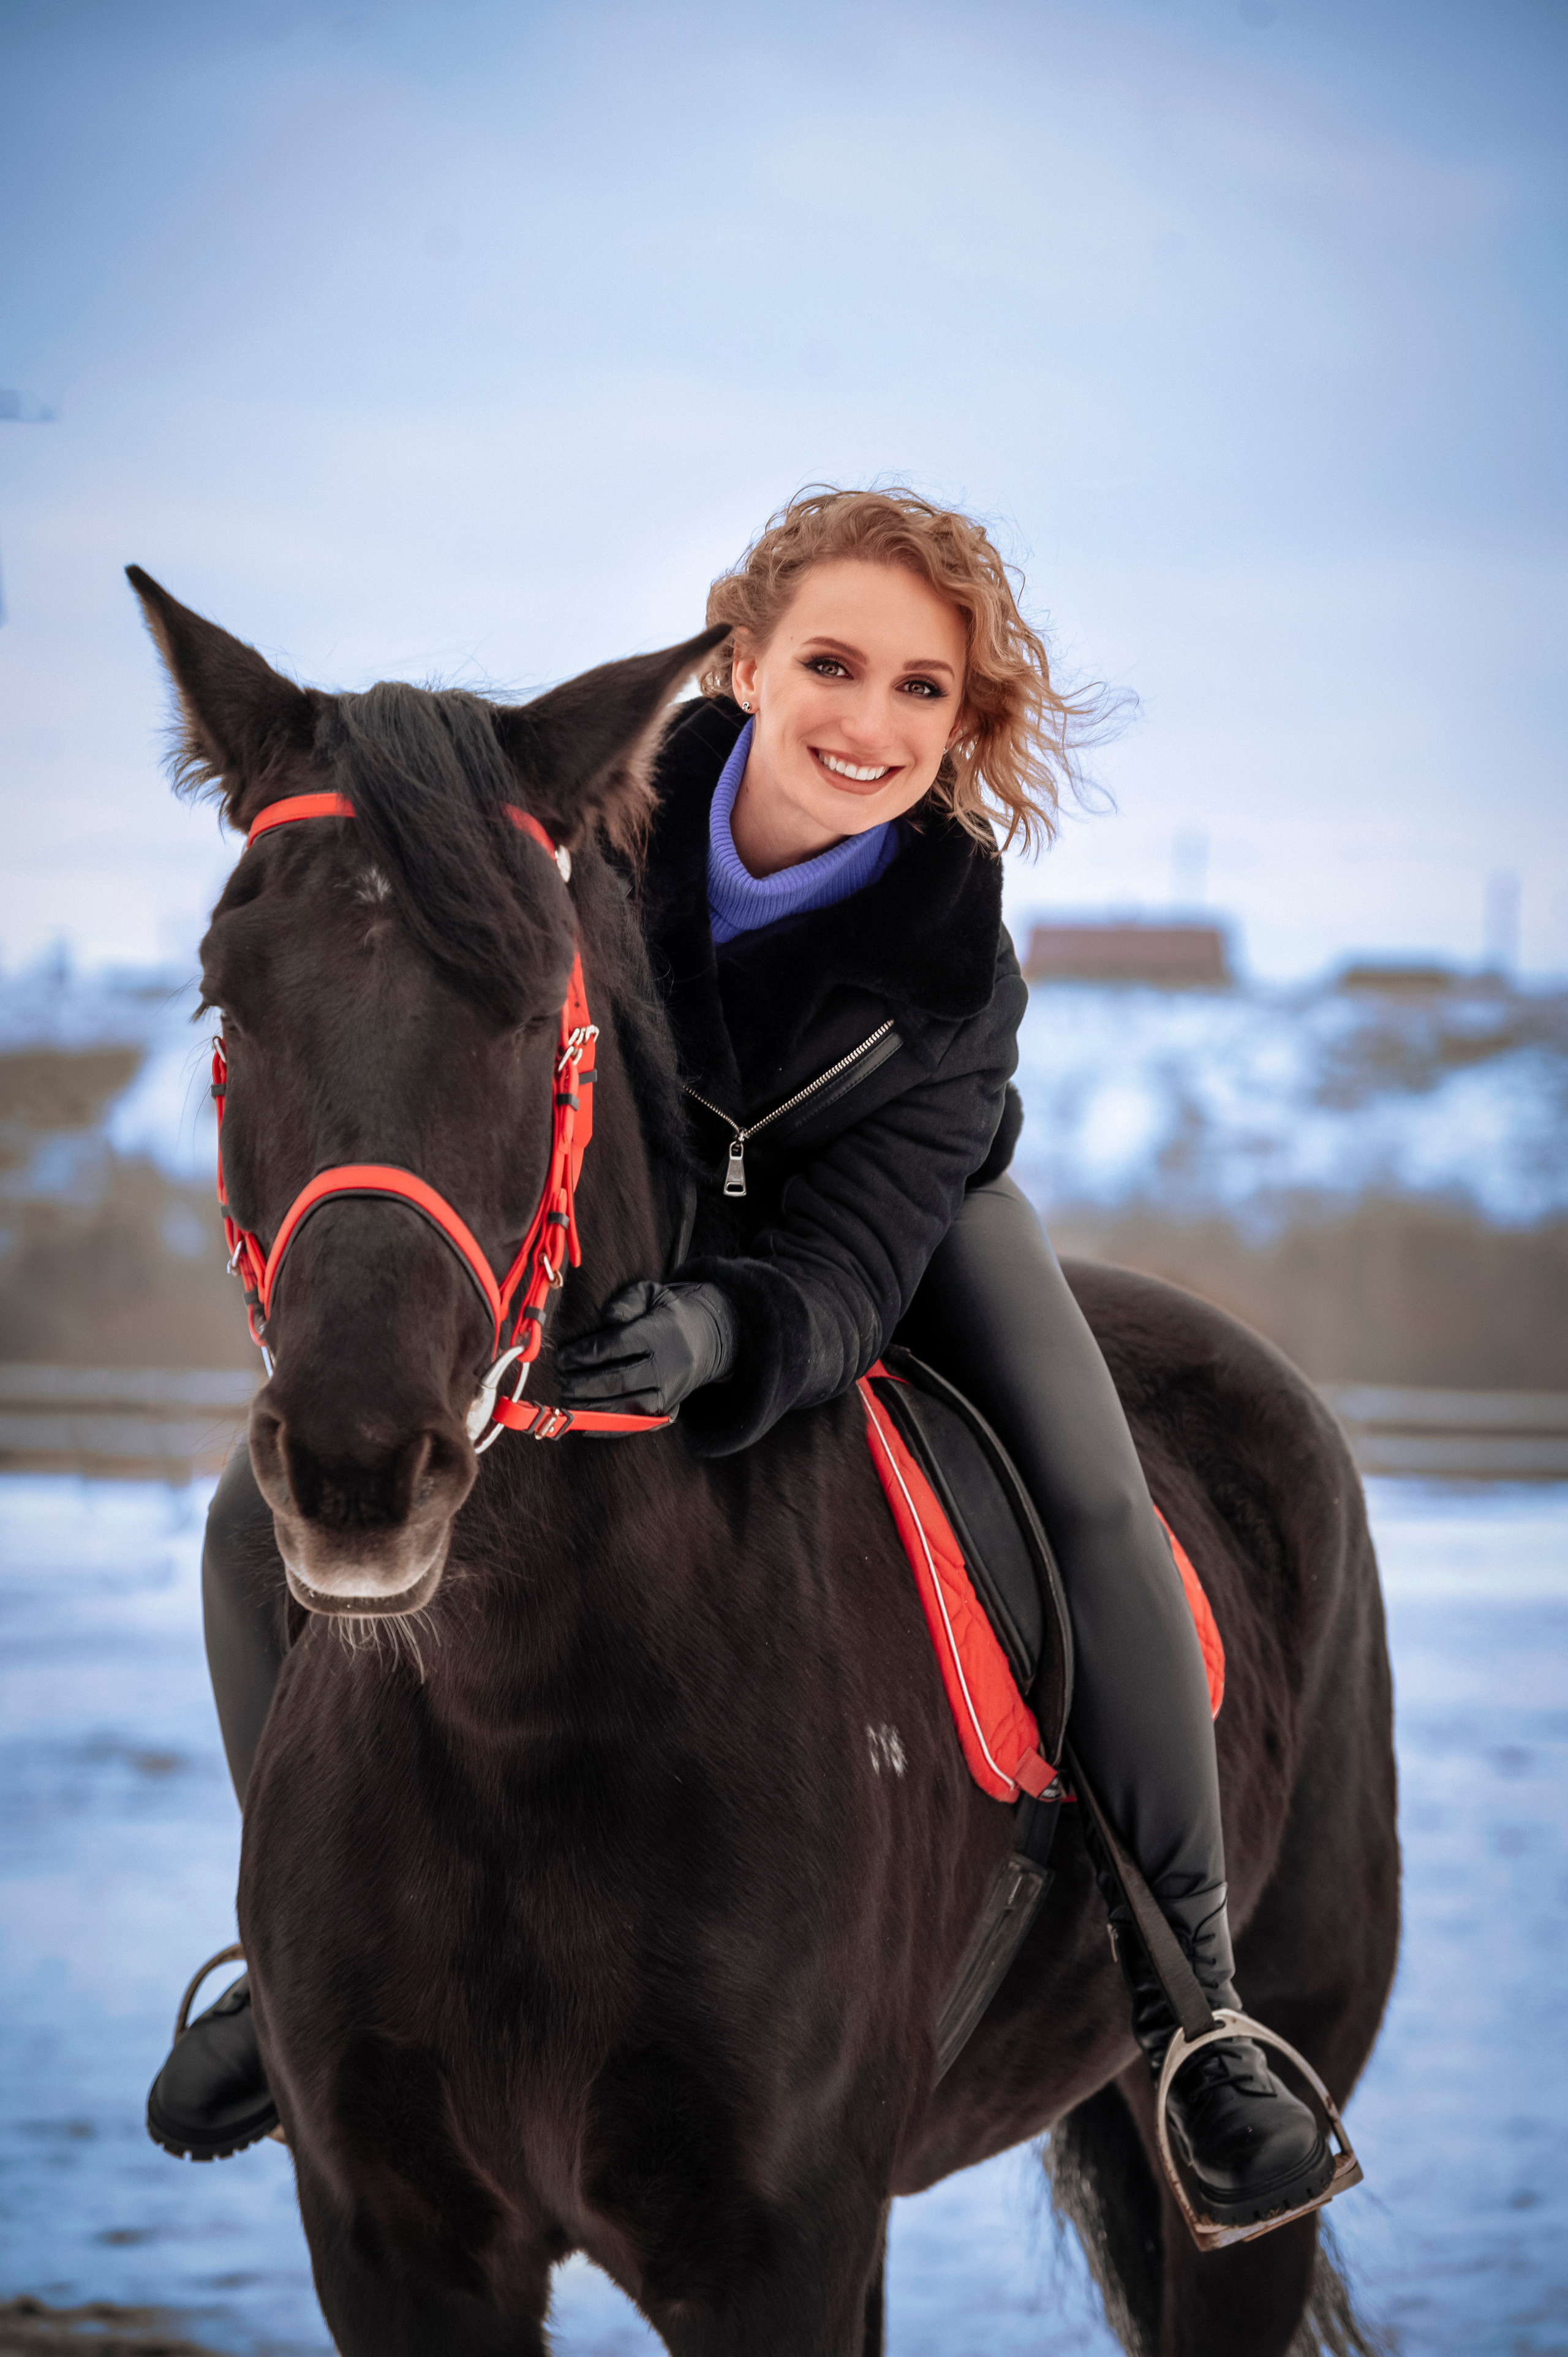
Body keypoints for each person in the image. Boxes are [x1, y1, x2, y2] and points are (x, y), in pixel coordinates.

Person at [148, 487, 1331, 2231]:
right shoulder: (583, 836)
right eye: (834, 665)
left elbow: (861, 1252)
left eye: (924, 689)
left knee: (1095, 1498)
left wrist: (733, 1327)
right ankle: (289, 1959)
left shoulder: (954, 963)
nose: (870, 723)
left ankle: (1194, 2009)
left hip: (885, 1240)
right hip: (623, 1211)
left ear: (964, 719)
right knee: (251, 1526)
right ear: (747, 664)